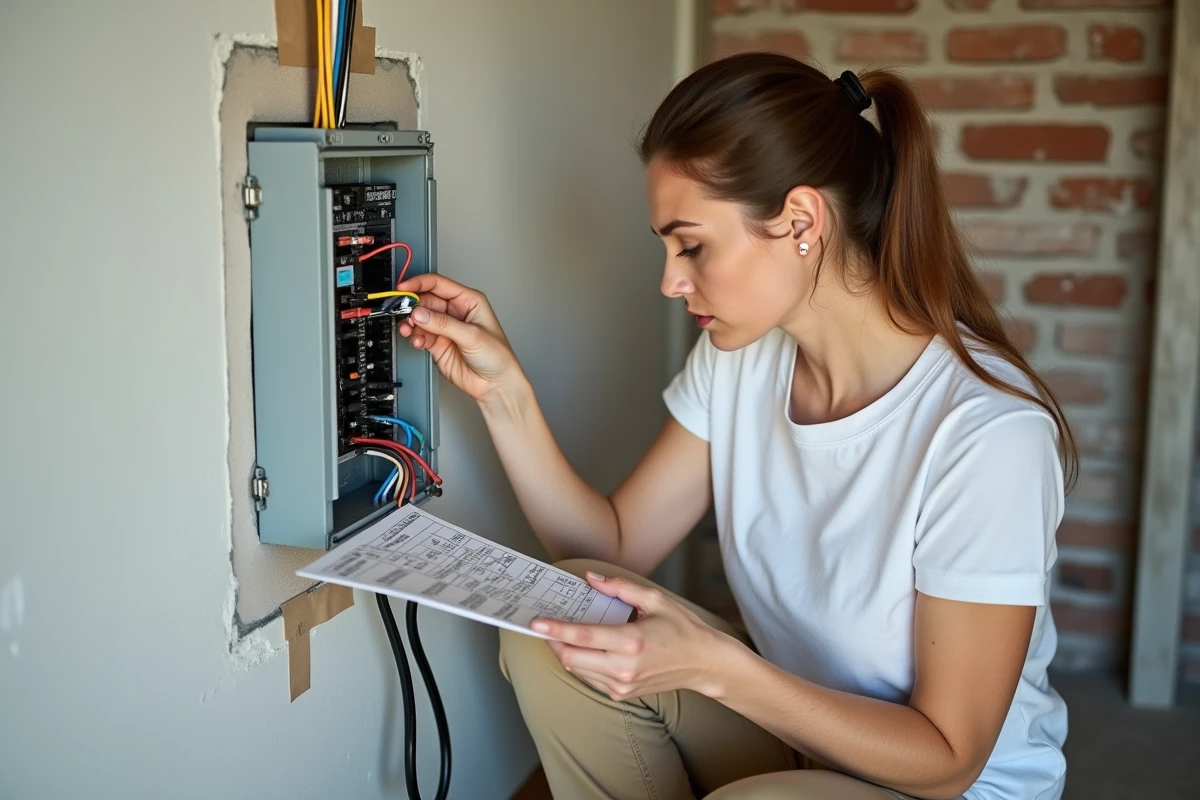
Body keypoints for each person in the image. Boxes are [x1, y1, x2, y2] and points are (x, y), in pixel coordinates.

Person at [396, 53, 1071, 800]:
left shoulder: (987, 434)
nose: (669, 281)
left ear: (801, 220)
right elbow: (607, 551)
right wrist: (504, 394)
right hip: (795, 728)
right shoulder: (745, 359)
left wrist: (718, 667)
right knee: (557, 627)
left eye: (692, 245)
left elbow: (950, 759)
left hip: (937, 784)